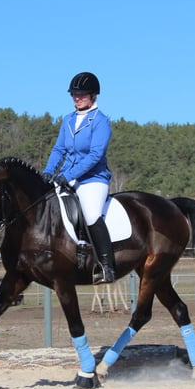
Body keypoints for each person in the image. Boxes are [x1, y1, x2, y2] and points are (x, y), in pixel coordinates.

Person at [42, 71, 115, 284]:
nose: (77, 98)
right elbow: (59, 149)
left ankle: (106, 265)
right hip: (68, 177)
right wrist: (48, 171)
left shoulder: (100, 121)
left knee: (91, 214)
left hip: (93, 179)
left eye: (82, 95)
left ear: (93, 96)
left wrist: (68, 175)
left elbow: (95, 155)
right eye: (74, 94)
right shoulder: (68, 120)